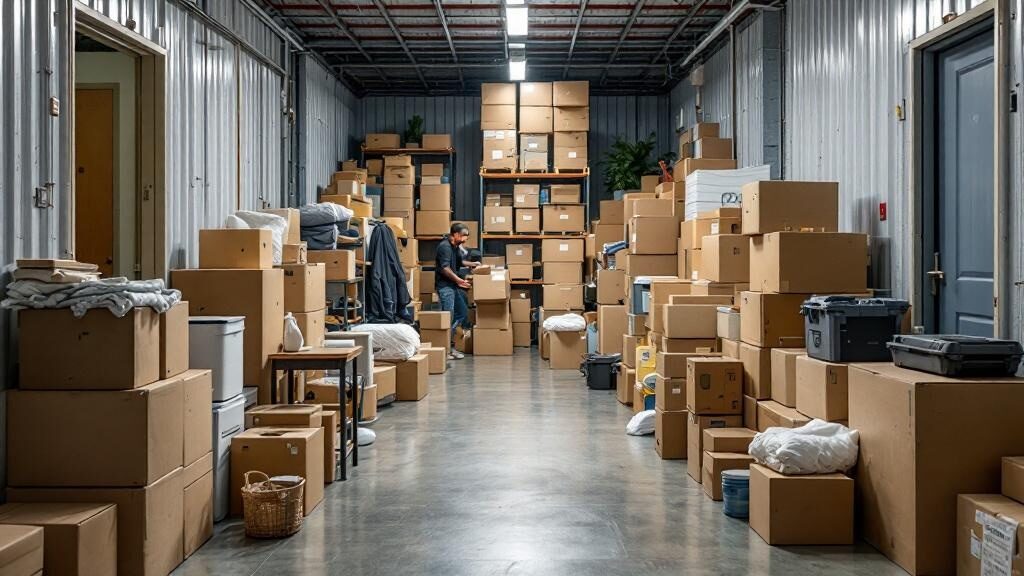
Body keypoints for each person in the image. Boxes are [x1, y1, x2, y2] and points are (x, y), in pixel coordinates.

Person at [435, 222, 476, 359]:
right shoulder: (445, 247)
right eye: (464, 236)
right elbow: (445, 268)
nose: (465, 239)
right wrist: (459, 280)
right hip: (445, 287)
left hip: (453, 286)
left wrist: (474, 264)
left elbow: (460, 263)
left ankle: (449, 347)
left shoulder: (455, 247)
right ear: (456, 234)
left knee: (462, 313)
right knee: (448, 317)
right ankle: (446, 350)